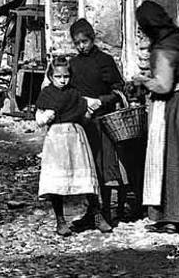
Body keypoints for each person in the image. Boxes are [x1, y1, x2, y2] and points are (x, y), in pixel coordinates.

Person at [66, 18, 133, 228]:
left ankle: (104, 212)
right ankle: (92, 210)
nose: (81, 46)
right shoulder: (73, 64)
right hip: (83, 122)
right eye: (77, 43)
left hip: (103, 122)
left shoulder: (105, 61)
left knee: (104, 168)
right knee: (87, 168)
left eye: (84, 41)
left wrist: (101, 101)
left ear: (92, 39)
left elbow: (119, 90)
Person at [36, 57, 111, 236]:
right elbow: (38, 119)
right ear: (51, 76)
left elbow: (84, 116)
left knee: (84, 175)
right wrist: (46, 116)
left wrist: (88, 112)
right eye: (58, 76)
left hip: (76, 137)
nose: (63, 80)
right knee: (57, 181)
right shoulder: (47, 94)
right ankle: (60, 220)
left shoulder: (75, 94)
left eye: (66, 76)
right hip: (56, 139)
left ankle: (97, 214)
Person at [133, 0, 179, 235]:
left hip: (173, 105)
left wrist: (142, 80)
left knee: (170, 158)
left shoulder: (163, 48)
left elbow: (164, 85)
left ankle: (171, 217)